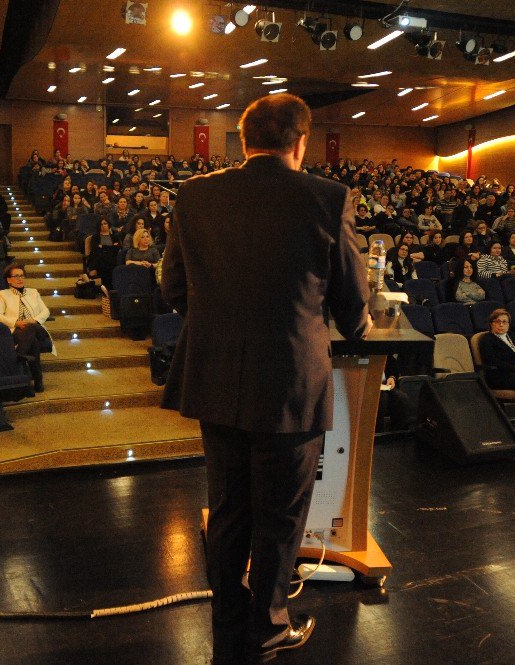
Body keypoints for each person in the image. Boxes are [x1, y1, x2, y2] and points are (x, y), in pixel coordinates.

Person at [160, 94, 370, 664]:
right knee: (279, 515)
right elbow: (352, 301)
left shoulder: (195, 194)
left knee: (227, 508)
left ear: (243, 139)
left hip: (216, 375)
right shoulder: (328, 197)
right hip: (290, 383)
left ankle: (227, 622)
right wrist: (356, 321)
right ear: (300, 142)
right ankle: (268, 626)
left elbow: (173, 286)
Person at [0, 262, 54, 393]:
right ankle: (37, 381)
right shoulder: (3, 294)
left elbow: (46, 312)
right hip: (16, 331)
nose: (20, 279)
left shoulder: (33, 292)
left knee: (31, 328)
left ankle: (19, 357)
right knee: (34, 344)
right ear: (9, 280)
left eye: (22, 275)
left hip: (37, 330)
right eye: (16, 276)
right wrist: (16, 322)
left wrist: (33, 320)